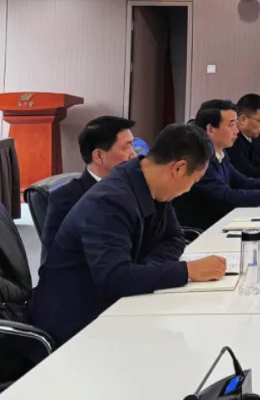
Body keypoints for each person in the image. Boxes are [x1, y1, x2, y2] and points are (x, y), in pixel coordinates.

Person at [28, 124, 228, 348]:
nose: (189, 189)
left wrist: (144, 271)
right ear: (179, 168)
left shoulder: (152, 185)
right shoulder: (109, 201)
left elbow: (173, 239)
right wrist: (187, 271)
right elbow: (115, 279)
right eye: (194, 181)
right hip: (77, 324)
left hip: (115, 307)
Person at [173, 101, 260, 231]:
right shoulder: (198, 160)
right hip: (203, 231)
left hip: (223, 221)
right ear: (210, 129)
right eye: (231, 125)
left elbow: (243, 181)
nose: (236, 131)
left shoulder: (220, 153)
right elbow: (226, 196)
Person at [40, 116, 137, 261]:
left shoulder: (135, 188)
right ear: (98, 156)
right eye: (126, 148)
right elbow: (54, 261)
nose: (134, 155)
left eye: (132, 146)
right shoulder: (67, 199)